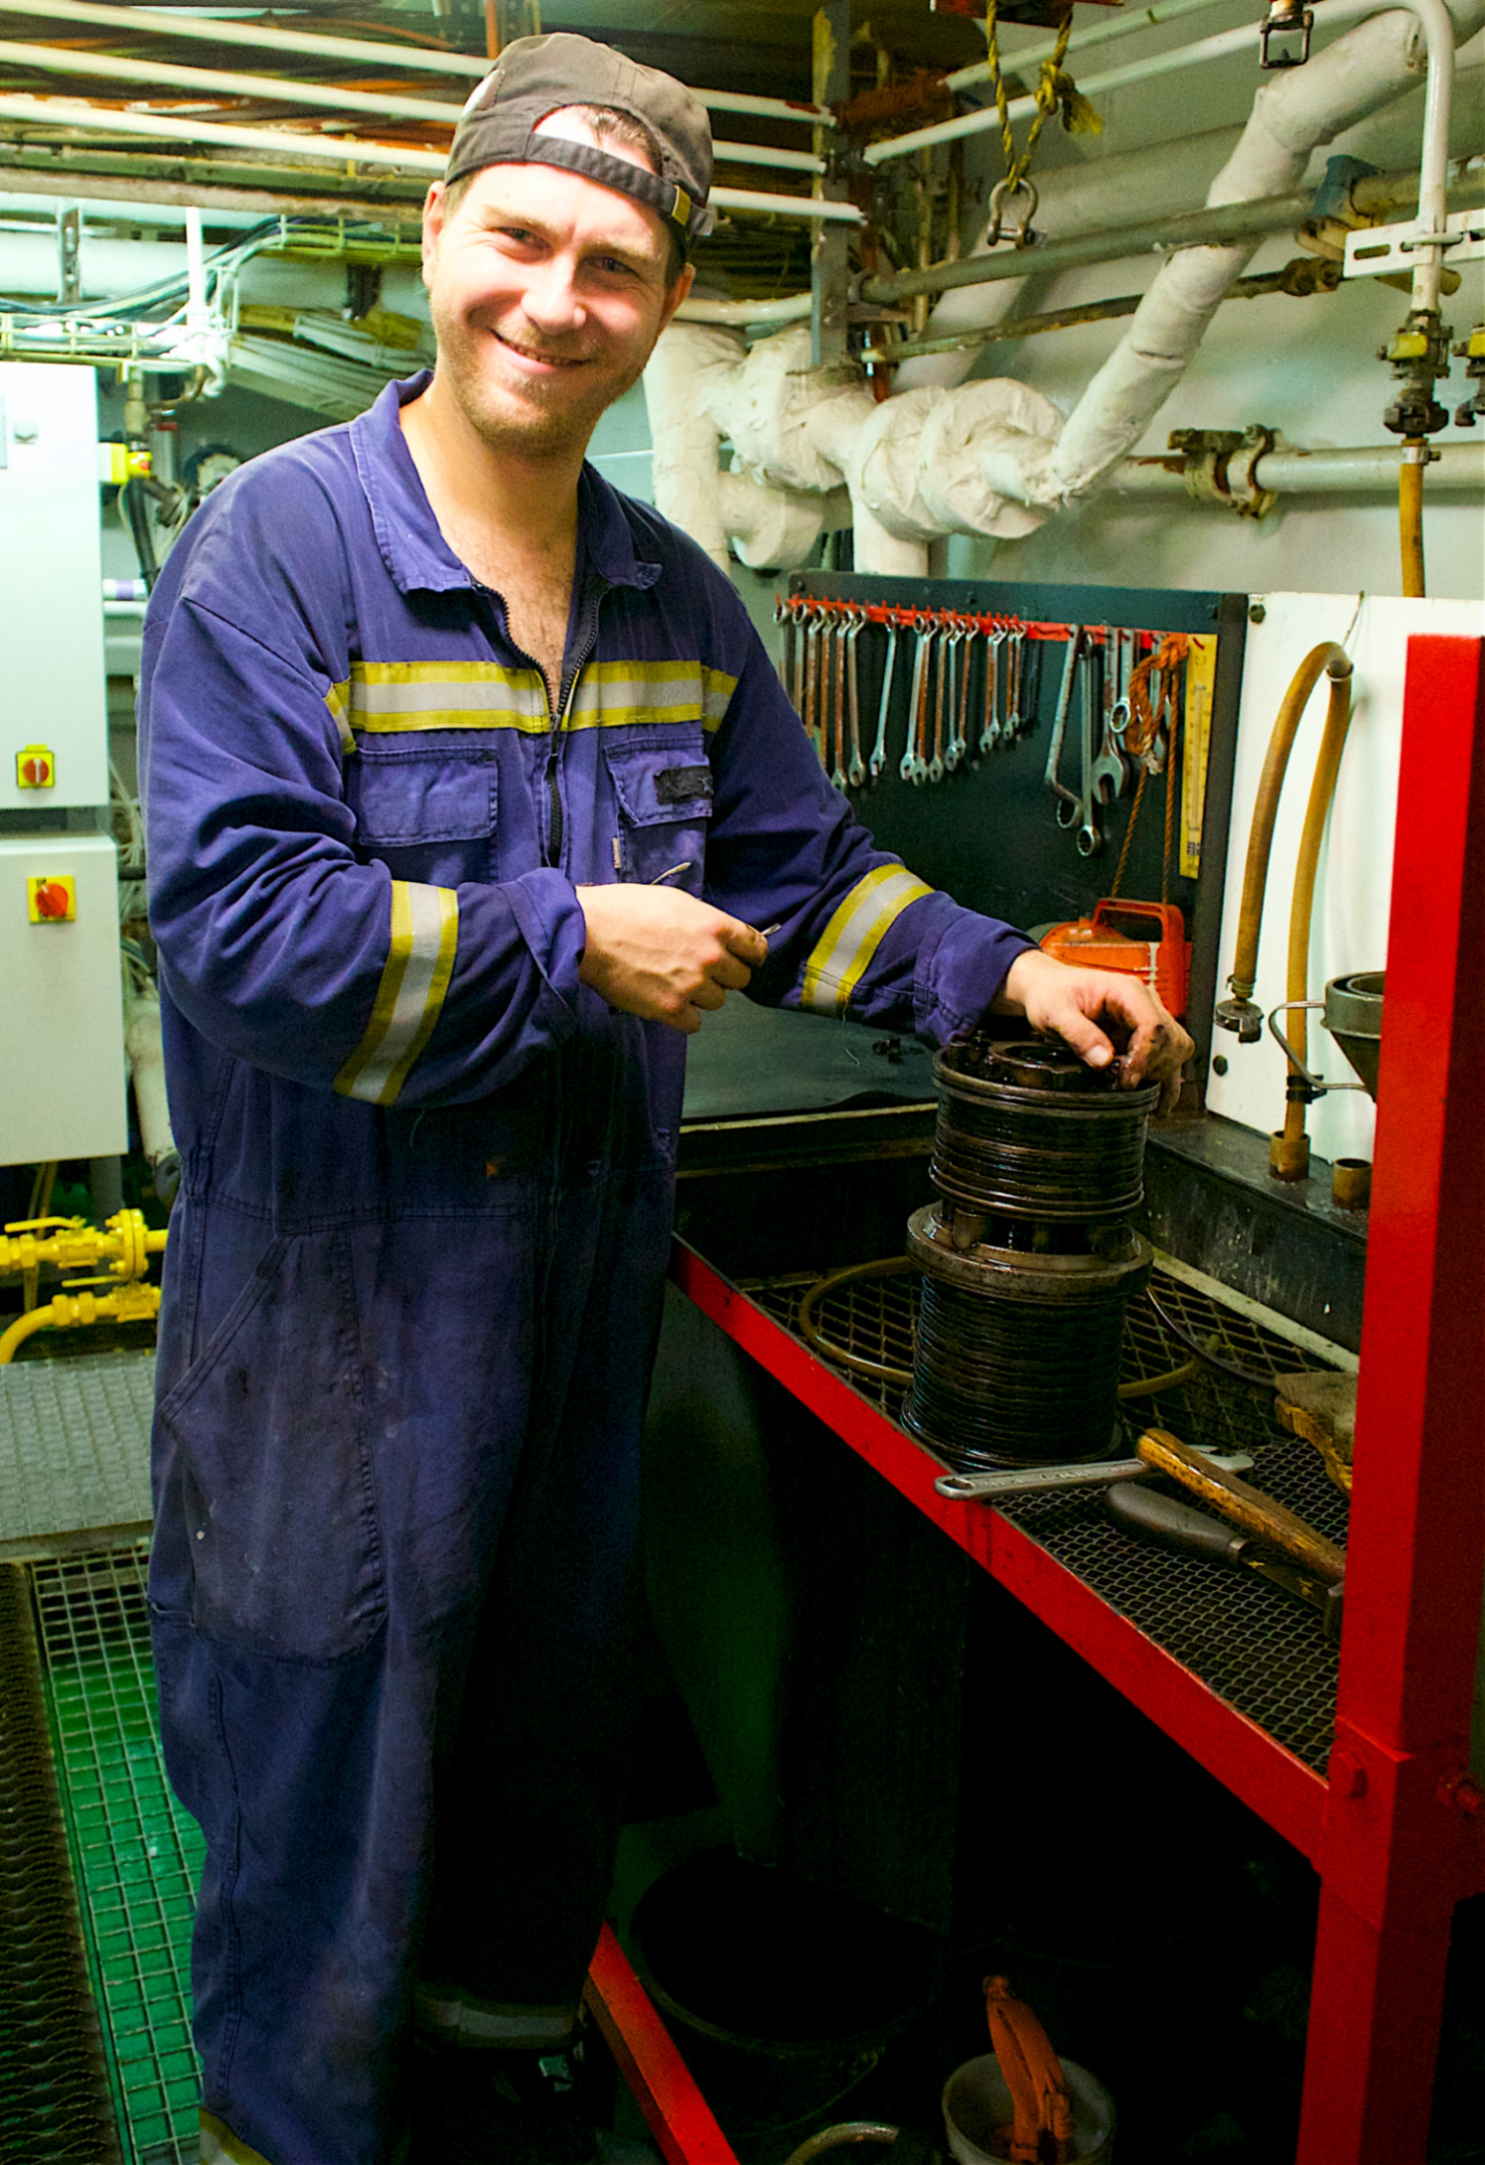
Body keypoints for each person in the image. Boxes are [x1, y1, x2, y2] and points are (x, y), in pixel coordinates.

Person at [139, 33, 1192, 2165]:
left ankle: (479, 2088)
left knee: (535, 1765)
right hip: (332, 1336)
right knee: (325, 1776)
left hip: (573, 1309)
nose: (552, 296)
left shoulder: (669, 597)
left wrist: (1002, 968)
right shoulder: (279, 555)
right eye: (515, 236)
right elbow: (238, 932)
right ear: (438, 234)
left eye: (611, 265)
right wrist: (561, 938)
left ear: (663, 301)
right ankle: (295, 2135)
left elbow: (795, 875)